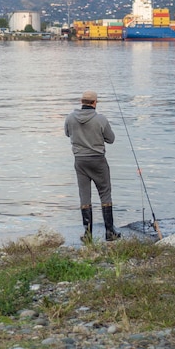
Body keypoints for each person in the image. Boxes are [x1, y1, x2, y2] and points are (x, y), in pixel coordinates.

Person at [65, 90, 121, 243]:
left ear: (81, 101)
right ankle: (109, 232)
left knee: (84, 195)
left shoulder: (70, 118)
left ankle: (88, 234)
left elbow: (67, 133)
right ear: (95, 103)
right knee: (105, 193)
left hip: (80, 161)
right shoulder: (100, 119)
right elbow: (111, 139)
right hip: (98, 160)